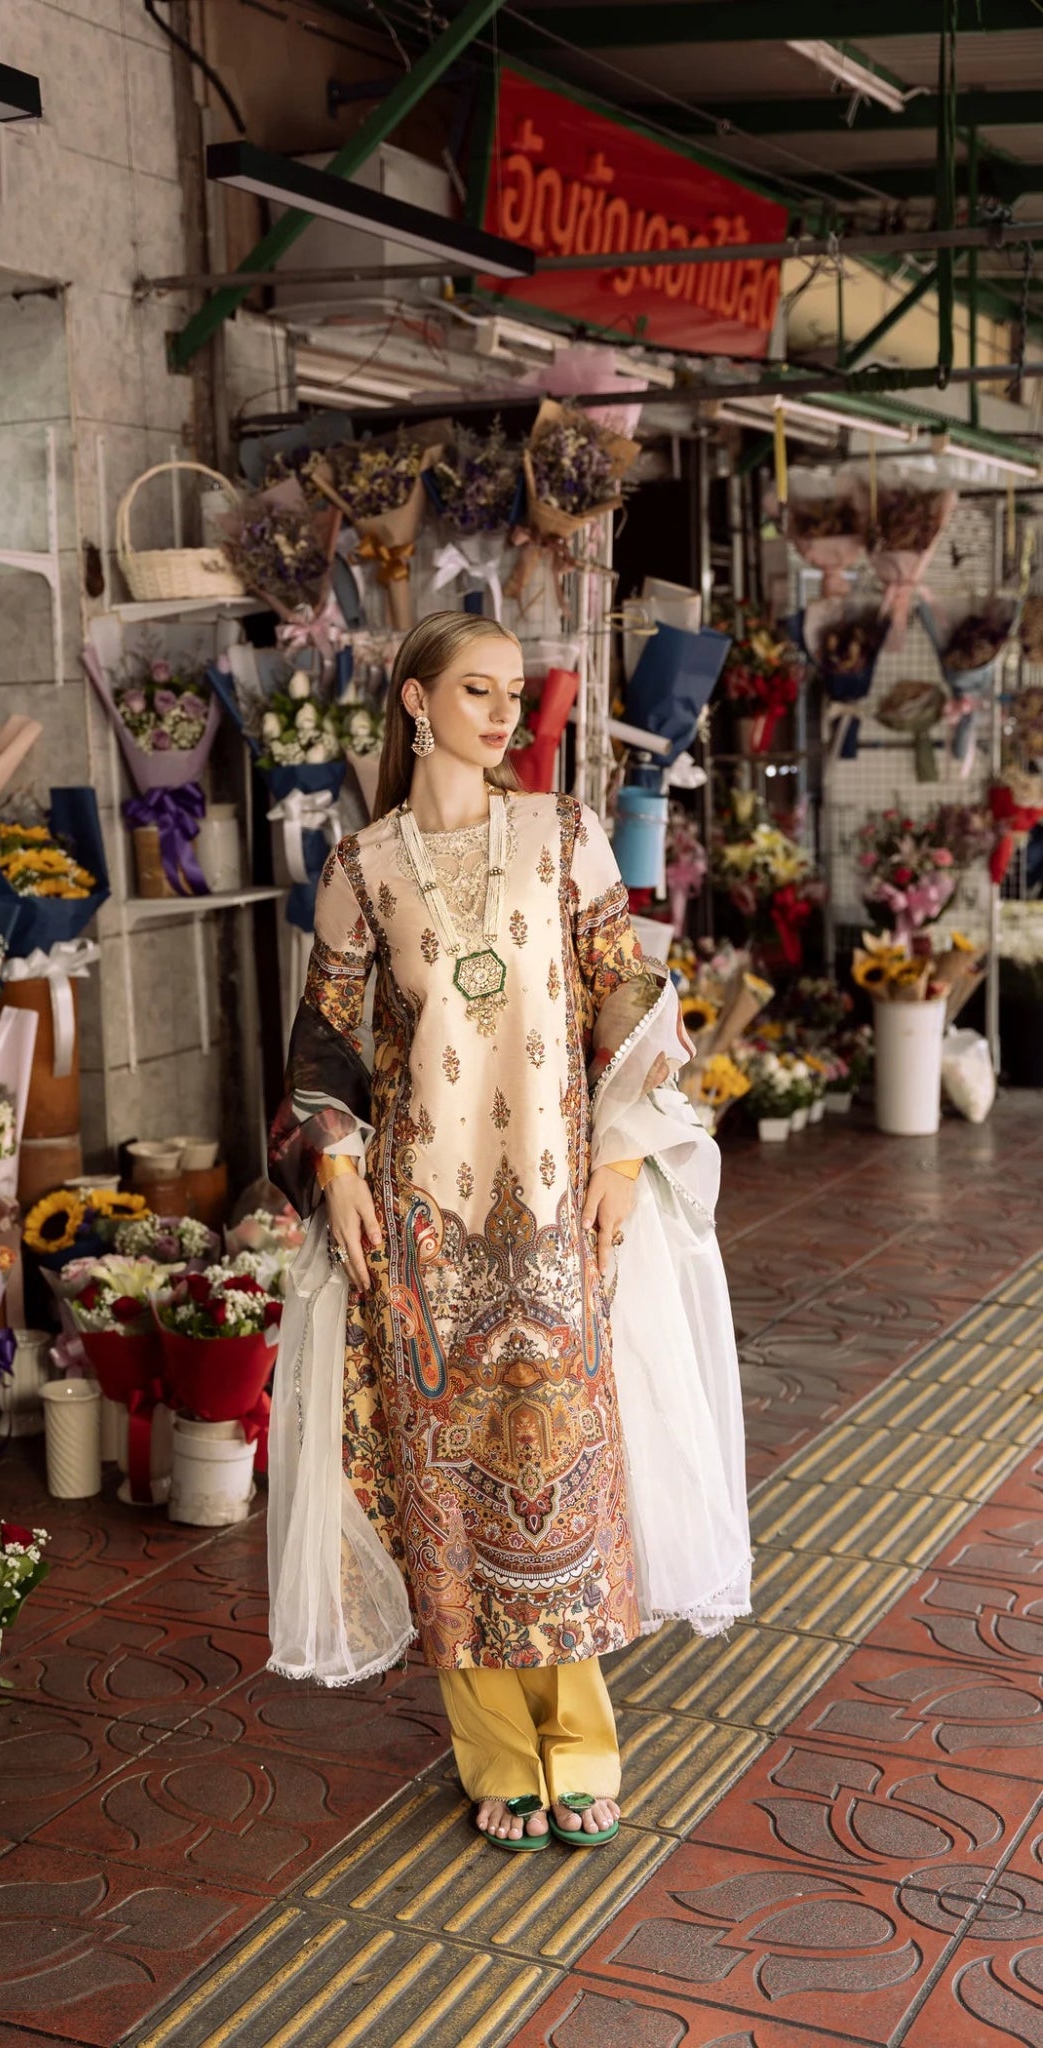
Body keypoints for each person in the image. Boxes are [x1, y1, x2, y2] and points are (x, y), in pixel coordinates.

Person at [268, 610, 750, 1853]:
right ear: (415, 703)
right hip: (424, 1218)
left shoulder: (564, 837)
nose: (503, 714)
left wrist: (629, 1144)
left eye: (514, 693)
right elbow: (325, 1037)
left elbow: (628, 989)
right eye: (476, 690)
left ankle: (583, 1746)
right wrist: (335, 1164)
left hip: (550, 1210)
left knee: (567, 1477)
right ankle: (494, 1752)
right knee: (450, 1493)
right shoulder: (359, 866)